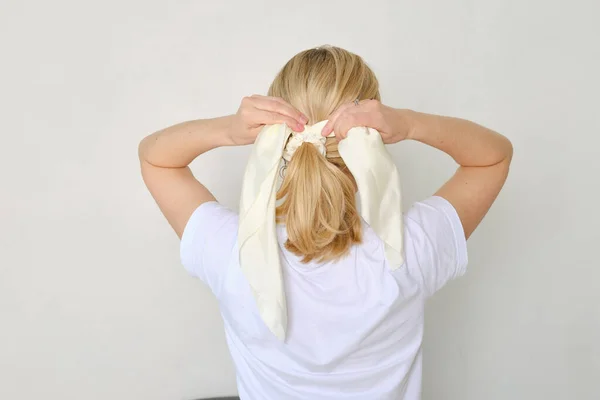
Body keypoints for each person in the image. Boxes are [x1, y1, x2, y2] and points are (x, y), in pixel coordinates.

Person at [138, 45, 513, 400]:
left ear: (272, 135)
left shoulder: (233, 252)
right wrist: (409, 123)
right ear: (373, 136)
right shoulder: (410, 249)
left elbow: (155, 158)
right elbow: (493, 156)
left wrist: (228, 130)